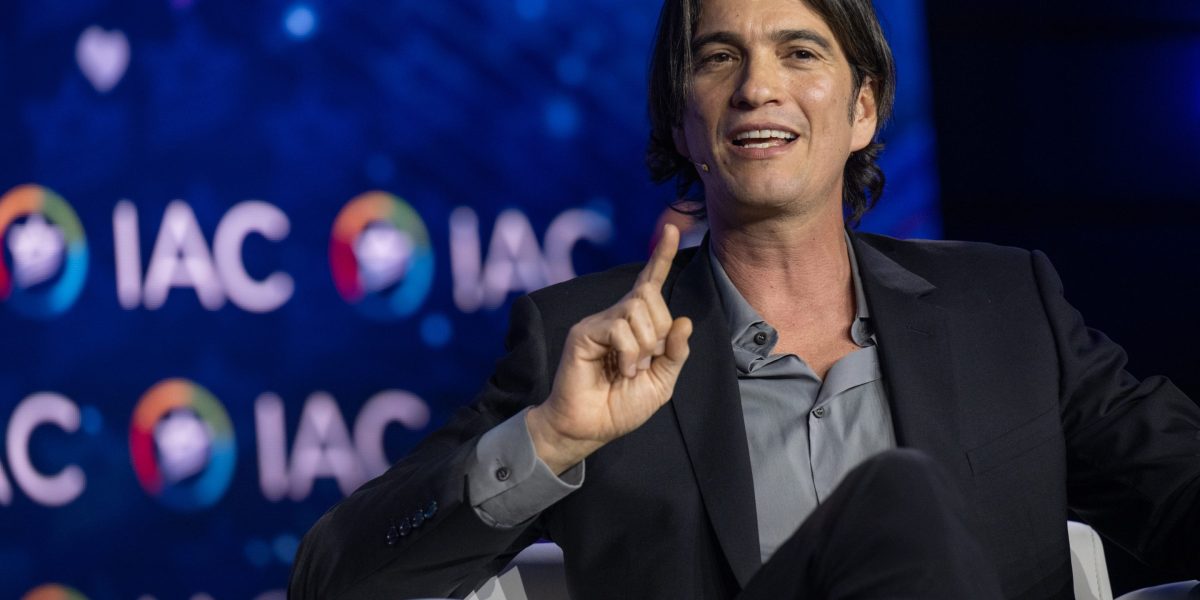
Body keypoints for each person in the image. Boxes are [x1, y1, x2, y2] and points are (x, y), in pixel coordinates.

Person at [289, 0, 1200, 598]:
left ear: (864, 110)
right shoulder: (582, 341)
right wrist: (551, 440)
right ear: (684, 123)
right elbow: (334, 580)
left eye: (799, 52)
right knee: (898, 496)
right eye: (719, 57)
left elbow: (1177, 486)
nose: (757, 87)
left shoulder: (1005, 307)